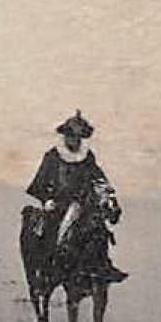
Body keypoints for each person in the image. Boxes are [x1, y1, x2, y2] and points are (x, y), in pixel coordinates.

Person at [26, 111, 128, 283]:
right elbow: (38, 184)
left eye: (78, 136)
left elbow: (98, 178)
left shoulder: (87, 156)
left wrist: (108, 194)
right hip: (58, 204)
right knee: (54, 231)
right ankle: (49, 267)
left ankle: (103, 266)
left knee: (98, 229)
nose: (74, 139)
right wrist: (47, 200)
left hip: (84, 202)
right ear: (65, 136)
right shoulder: (52, 157)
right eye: (71, 135)